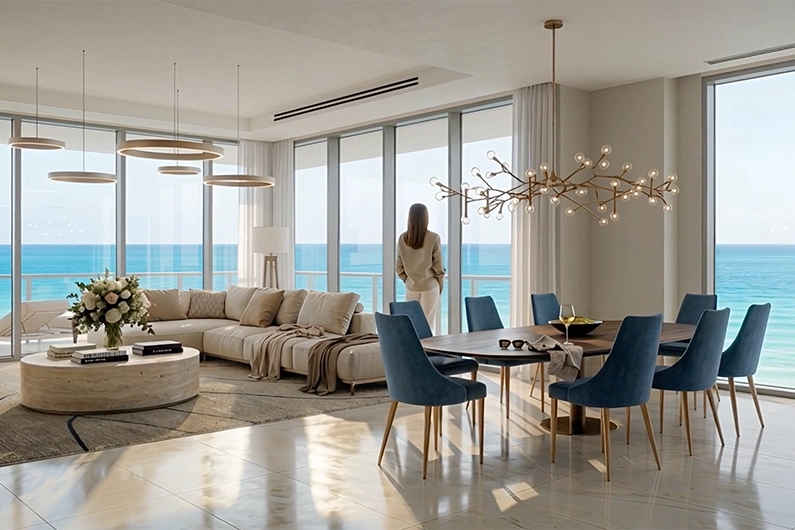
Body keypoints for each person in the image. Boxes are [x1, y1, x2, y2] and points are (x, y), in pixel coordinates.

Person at [396, 203, 445, 334]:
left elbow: (398, 267)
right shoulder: (434, 237)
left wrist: (408, 280)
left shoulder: (403, 238)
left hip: (411, 286)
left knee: (412, 324)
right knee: (427, 325)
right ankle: (427, 352)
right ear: (425, 217)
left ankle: (413, 351)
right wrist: (440, 283)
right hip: (429, 286)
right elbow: (438, 266)